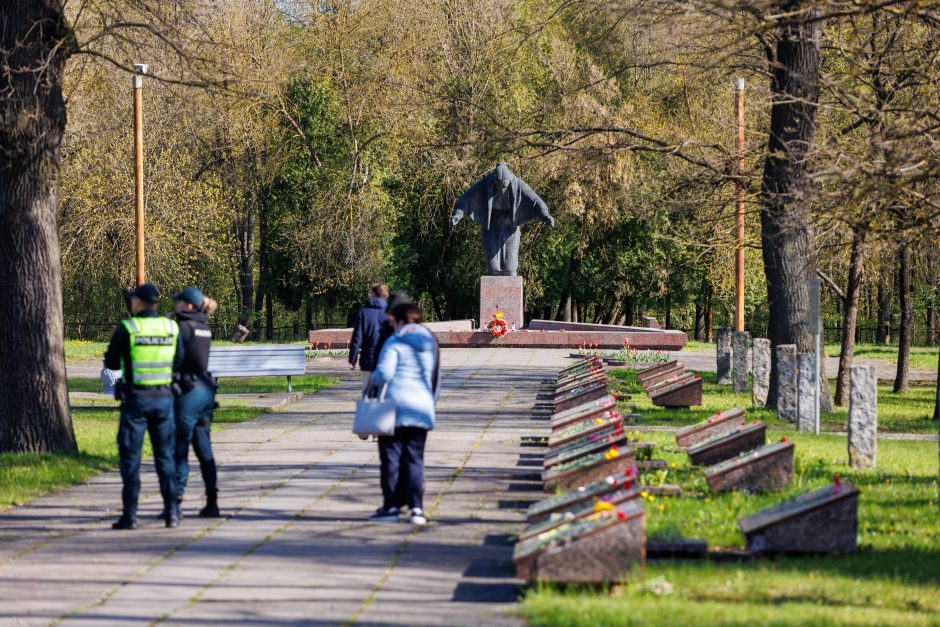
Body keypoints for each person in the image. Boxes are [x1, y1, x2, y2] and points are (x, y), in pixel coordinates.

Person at [104, 284, 184, 529]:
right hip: (164, 400)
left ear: (138, 303)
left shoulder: (129, 328)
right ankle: (172, 513)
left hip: (136, 401)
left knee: (131, 458)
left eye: (132, 301)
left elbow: (111, 362)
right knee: (165, 457)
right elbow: (179, 359)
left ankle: (130, 515)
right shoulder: (171, 327)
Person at [367, 303, 439, 526]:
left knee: (391, 459)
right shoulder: (430, 342)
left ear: (398, 321)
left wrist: (373, 379)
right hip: (421, 408)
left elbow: (384, 374)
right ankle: (416, 508)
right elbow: (436, 377)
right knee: (414, 459)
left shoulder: (395, 340)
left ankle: (392, 506)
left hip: (395, 408)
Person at [171, 287, 222, 518]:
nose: (176, 305)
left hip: (187, 393)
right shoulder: (203, 327)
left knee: (179, 449)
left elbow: (178, 359)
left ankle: (175, 503)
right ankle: (212, 502)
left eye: (179, 302)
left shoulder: (182, 327)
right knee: (204, 450)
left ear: (188, 305)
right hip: (205, 392)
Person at [348, 284, 389, 393]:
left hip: (367, 360)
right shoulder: (390, 313)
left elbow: (357, 337)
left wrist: (352, 359)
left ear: (373, 294)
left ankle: (368, 409)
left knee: (367, 393)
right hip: (386, 360)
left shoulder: (363, 312)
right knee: (384, 395)